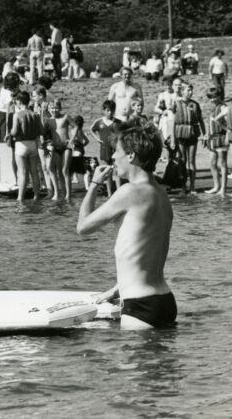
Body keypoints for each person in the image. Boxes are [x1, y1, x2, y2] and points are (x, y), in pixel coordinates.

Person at [77, 125, 176, 330]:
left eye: (117, 151)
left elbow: (83, 227)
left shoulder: (129, 192)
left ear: (130, 156)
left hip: (140, 305)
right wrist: (116, 290)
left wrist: (95, 183)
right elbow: (147, 254)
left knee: (130, 360)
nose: (113, 156)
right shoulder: (162, 195)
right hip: (164, 301)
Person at [172, 81, 206, 193]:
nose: (190, 92)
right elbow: (173, 123)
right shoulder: (176, 104)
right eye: (188, 90)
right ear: (182, 91)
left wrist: (204, 134)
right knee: (182, 160)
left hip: (192, 133)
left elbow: (201, 120)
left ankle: (192, 186)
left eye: (191, 90)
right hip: (181, 133)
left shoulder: (195, 104)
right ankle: (183, 186)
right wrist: (173, 139)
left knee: (191, 160)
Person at [10, 91, 43, 202]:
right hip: (33, 145)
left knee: (22, 173)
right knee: (34, 171)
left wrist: (10, 131)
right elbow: (40, 130)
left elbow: (14, 132)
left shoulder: (17, 115)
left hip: (21, 145)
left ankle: (20, 197)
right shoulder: (34, 114)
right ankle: (37, 195)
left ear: (19, 101)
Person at [89, 100, 120, 196]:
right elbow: (91, 129)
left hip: (115, 150)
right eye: (107, 110)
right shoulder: (99, 122)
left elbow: (124, 132)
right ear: (103, 110)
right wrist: (97, 139)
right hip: (104, 149)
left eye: (112, 110)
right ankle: (110, 194)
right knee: (108, 172)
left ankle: (119, 193)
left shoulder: (118, 122)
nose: (109, 113)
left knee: (117, 171)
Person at [43, 99, 71, 200]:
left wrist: (71, 140)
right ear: (49, 109)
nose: (54, 110)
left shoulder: (65, 117)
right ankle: (59, 193)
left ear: (60, 108)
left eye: (56, 108)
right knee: (58, 170)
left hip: (66, 146)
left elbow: (76, 127)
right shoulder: (48, 121)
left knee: (64, 171)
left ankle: (68, 194)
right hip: (55, 147)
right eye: (52, 108)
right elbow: (44, 134)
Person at [204, 86, 229, 196]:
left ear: (219, 96)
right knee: (212, 163)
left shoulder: (223, 107)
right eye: (210, 97)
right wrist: (206, 134)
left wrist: (221, 126)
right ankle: (216, 186)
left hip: (221, 137)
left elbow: (229, 126)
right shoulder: (212, 108)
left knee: (222, 163)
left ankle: (223, 188)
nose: (213, 99)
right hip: (212, 138)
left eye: (215, 97)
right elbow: (209, 123)